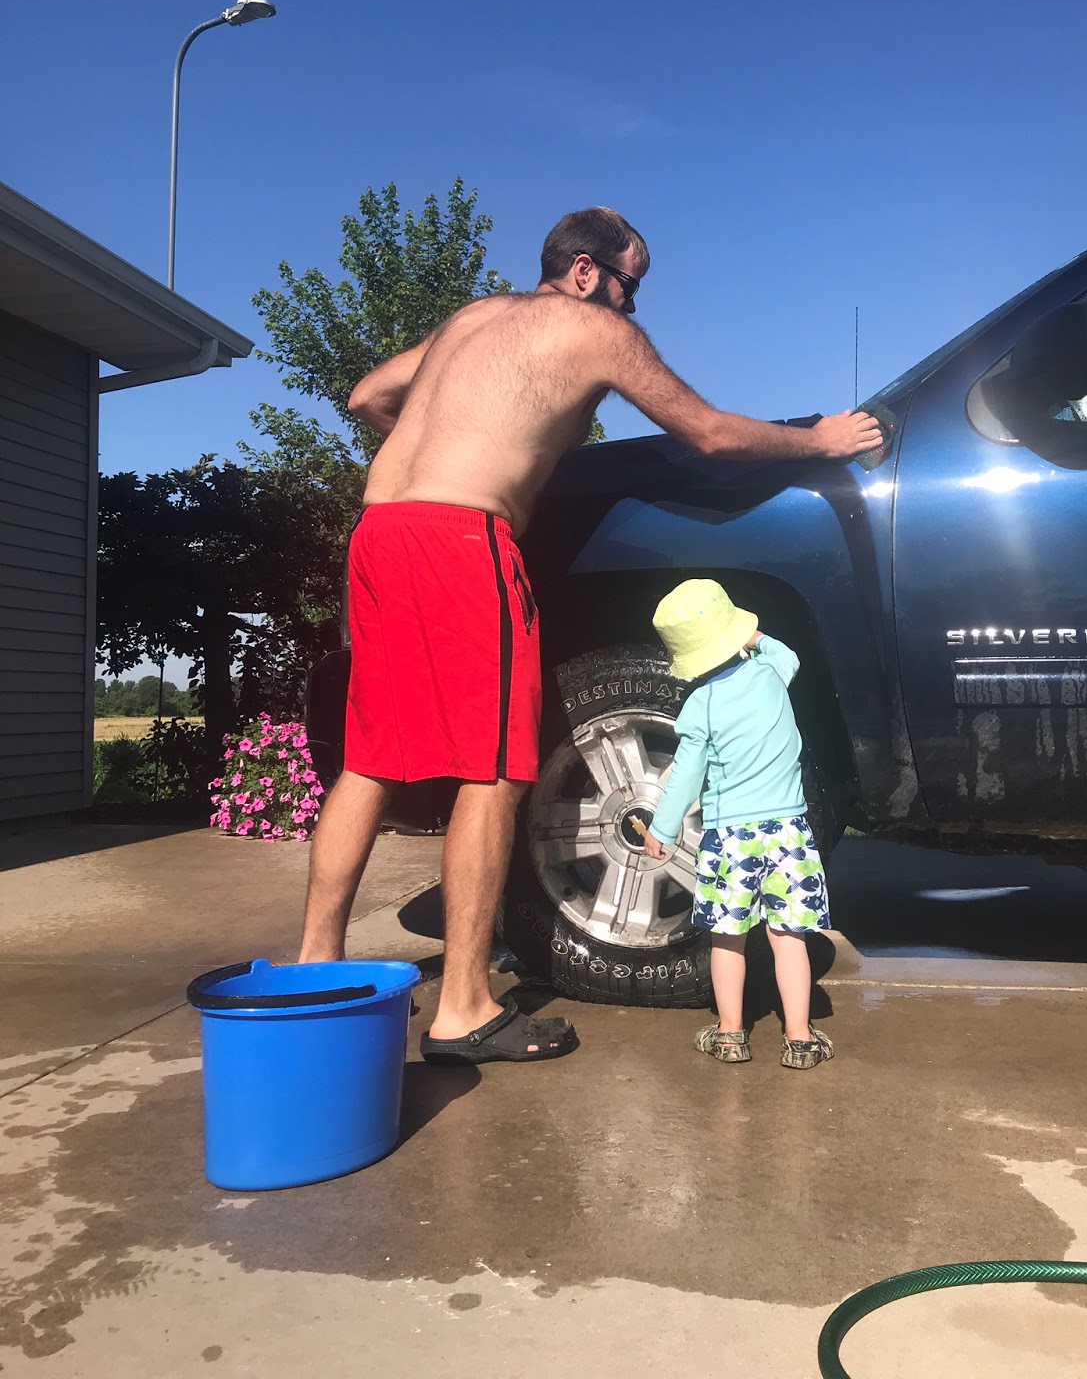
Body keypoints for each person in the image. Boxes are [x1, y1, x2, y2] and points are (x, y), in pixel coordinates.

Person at [297, 206, 882, 1066]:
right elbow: (709, 433)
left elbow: (367, 397)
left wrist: (465, 442)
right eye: (628, 286)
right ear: (584, 272)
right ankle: (462, 1007)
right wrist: (818, 439)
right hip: (462, 541)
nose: (632, 306)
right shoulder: (593, 330)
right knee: (494, 769)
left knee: (371, 758)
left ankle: (315, 969)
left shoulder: (473, 318)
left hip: (381, 533)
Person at [640, 578, 833, 1070]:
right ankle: (800, 1038)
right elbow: (787, 654)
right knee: (789, 938)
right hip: (788, 832)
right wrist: (754, 637)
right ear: (736, 632)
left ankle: (730, 1035)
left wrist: (662, 830)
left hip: (731, 839)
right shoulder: (771, 671)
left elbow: (686, 776)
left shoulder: (700, 706)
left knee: (728, 939)